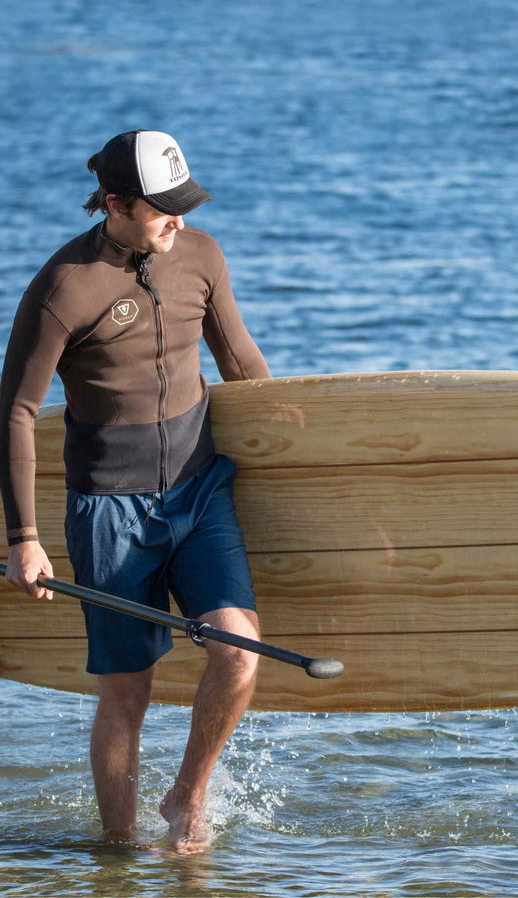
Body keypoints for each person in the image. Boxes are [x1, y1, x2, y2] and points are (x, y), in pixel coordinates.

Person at [0, 130, 271, 853]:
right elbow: (17, 412)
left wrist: (307, 452)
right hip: (108, 509)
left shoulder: (202, 256)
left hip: (198, 489)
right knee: (128, 692)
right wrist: (24, 540)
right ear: (116, 203)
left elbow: (240, 359)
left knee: (239, 651)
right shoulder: (66, 286)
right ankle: (117, 853)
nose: (177, 223)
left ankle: (188, 794)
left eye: (183, 206)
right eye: (162, 210)